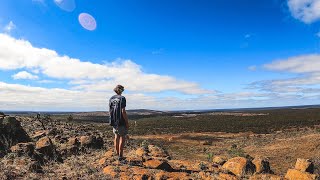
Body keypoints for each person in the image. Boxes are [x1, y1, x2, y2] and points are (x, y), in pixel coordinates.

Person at [109, 85, 129, 160]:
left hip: (114, 121)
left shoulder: (111, 98)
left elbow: (110, 110)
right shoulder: (122, 98)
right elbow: (123, 111)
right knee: (122, 137)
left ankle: (117, 154)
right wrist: (127, 122)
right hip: (121, 121)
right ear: (121, 90)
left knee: (116, 137)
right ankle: (120, 156)